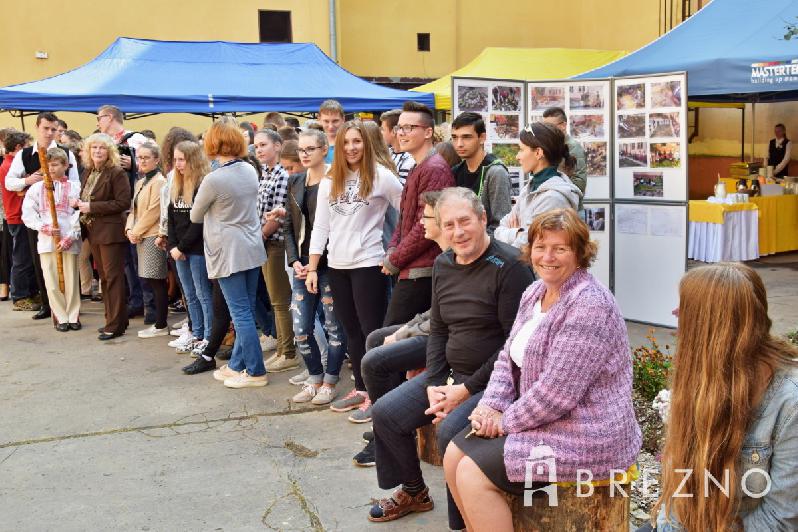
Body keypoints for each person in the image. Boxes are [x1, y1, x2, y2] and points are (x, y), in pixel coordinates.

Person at [444, 208, 641, 532]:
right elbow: (507, 361)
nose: (547, 256)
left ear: (579, 254)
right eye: (540, 247)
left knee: (472, 474)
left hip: (587, 434)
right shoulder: (535, 293)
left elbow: (556, 394)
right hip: (547, 420)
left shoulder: (589, 304)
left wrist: (504, 421)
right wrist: (488, 406)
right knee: (453, 454)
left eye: (560, 248)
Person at [367, 187, 535, 526]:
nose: (458, 232)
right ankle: (414, 491)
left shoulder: (510, 267)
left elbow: (514, 345)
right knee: (386, 413)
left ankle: (462, 524)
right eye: (449, 225)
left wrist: (466, 390)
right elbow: (440, 328)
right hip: (452, 375)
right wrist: (434, 383)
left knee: (449, 434)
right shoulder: (444, 263)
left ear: (483, 219)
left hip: (497, 384)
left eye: (465, 222)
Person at [644, 263, 798, 532]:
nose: (675, 313)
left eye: (686, 308)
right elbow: (678, 496)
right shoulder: (701, 377)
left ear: (712, 325)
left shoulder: (789, 403)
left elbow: (780, 520)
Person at [307, 120, 402, 418]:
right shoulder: (329, 179)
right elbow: (321, 226)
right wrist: (312, 267)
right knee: (351, 332)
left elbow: (408, 211)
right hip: (337, 265)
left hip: (368, 264)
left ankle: (378, 396)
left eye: (357, 142)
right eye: (346, 142)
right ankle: (362, 388)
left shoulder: (381, 177)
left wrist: (395, 250)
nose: (351, 148)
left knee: (371, 331)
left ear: (367, 144)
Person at [354, 190, 447, 467]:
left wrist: (405, 333)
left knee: (376, 359)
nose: (421, 223)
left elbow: (445, 322)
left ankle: (386, 435)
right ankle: (386, 428)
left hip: (443, 341)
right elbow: (435, 313)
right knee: (376, 338)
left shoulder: (452, 258)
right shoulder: (443, 259)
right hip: (435, 330)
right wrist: (406, 328)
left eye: (426, 217)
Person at [190, 120, 268, 389]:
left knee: (241, 313)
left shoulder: (214, 179)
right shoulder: (248, 169)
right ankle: (237, 364)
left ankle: (256, 371)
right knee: (244, 309)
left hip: (228, 250)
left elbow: (195, 214)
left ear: (213, 144)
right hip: (251, 245)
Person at [279, 128, 347, 405]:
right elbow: (288, 226)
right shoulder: (295, 180)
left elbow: (339, 226)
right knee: (301, 328)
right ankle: (314, 377)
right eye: (301, 150)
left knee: (333, 327)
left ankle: (330, 380)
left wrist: (318, 265)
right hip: (302, 266)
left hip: (330, 265)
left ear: (323, 150)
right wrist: (295, 260)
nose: (304, 154)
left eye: (310, 149)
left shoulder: (336, 180)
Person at [381, 102, 455, 327]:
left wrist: (395, 258)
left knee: (390, 341)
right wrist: (394, 248)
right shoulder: (418, 166)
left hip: (422, 270)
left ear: (428, 132)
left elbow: (426, 224)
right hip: (411, 266)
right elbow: (405, 217)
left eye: (409, 127)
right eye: (399, 128)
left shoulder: (434, 168)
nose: (401, 133)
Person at [5, 112, 80, 320]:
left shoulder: (66, 153)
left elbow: (75, 184)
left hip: (65, 219)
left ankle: (72, 309)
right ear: (37, 127)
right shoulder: (25, 154)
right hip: (39, 217)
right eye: (46, 128)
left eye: (54, 129)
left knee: (69, 267)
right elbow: (9, 182)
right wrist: (29, 181)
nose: (50, 133)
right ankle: (49, 306)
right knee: (41, 264)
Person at [95, 104, 153, 322]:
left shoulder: (135, 140)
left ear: (110, 118)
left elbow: (155, 163)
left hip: (138, 207)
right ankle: (134, 299)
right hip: (118, 209)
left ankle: (148, 304)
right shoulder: (104, 144)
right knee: (126, 260)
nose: (98, 122)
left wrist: (134, 163)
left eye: (100, 118)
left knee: (139, 259)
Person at [74, 133, 131, 340]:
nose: (98, 151)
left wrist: (92, 206)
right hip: (93, 231)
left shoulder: (116, 172)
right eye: (94, 147)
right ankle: (114, 319)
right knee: (105, 279)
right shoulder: (89, 171)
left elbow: (123, 203)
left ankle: (114, 325)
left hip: (110, 232)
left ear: (110, 151)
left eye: (102, 148)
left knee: (113, 278)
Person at [20, 147, 82, 331]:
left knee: (70, 279)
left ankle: (73, 315)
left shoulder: (74, 187)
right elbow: (28, 213)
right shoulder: (37, 188)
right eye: (48, 165)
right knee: (51, 280)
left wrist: (71, 235)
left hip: (68, 239)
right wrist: (44, 227)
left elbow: (78, 213)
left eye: (55, 165)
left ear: (65, 165)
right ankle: (60, 316)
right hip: (47, 240)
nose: (51, 169)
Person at [494, 122, 582, 249]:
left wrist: (515, 233)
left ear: (538, 153)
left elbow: (526, 246)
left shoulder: (553, 198)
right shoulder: (529, 188)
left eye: (521, 149)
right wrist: (517, 232)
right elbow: (499, 229)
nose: (517, 156)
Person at [167, 141, 214, 372]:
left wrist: (182, 247)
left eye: (182, 159)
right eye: (175, 159)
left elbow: (199, 222)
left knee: (203, 293)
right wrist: (173, 244)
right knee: (189, 295)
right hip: (179, 249)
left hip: (196, 250)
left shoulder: (202, 184)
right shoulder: (177, 183)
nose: (178, 164)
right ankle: (196, 333)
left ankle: (207, 336)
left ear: (194, 159)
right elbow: (173, 218)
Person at [254, 129, 297, 373]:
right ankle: (282, 349)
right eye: (256, 145)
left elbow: (278, 215)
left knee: (280, 301)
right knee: (274, 300)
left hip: (275, 243)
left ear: (278, 146)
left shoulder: (281, 174)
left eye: (264, 145)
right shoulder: (265, 173)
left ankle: (288, 352)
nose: (259, 149)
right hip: (264, 242)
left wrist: (260, 236)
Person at [126, 142, 169, 338]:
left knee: (156, 281)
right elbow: (133, 210)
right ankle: (159, 323)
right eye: (139, 157)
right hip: (139, 235)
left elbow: (154, 211)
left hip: (151, 236)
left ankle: (161, 324)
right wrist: (128, 228)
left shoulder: (159, 181)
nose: (141, 161)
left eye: (146, 157)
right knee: (149, 280)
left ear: (156, 160)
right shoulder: (140, 182)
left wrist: (136, 231)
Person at [450, 112, 512, 234]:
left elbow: (501, 225)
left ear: (482, 138)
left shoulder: (495, 172)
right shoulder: (456, 171)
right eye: (455, 137)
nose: (459, 144)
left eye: (466, 137)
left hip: (487, 247)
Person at [0, 130, 38, 311]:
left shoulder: (8, 164)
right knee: (21, 257)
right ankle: (20, 295)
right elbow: (18, 191)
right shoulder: (9, 166)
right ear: (18, 148)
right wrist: (30, 181)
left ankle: (28, 292)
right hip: (17, 215)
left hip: (18, 215)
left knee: (27, 256)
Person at [542, 107, 587, 201]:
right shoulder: (550, 146)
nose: (546, 130)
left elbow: (579, 184)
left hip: (569, 210)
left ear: (563, 125)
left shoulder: (574, 148)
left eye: (549, 126)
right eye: (544, 126)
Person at [379, 109, 416, 184]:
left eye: (383, 129)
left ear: (394, 131)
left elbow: (400, 192)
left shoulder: (409, 160)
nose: (380, 133)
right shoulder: (388, 152)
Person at [318, 99, 345, 164]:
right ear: (319, 120)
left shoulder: (349, 145)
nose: (331, 126)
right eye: (326, 121)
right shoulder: (314, 145)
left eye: (335, 121)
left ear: (343, 119)